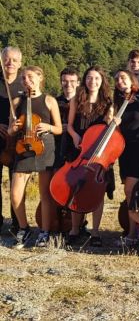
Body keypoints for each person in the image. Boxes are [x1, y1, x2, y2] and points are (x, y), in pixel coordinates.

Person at [8, 66, 62, 248]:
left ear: (40, 77)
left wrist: (48, 127)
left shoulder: (49, 100)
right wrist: (13, 129)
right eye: (23, 78)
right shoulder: (16, 101)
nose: (26, 81)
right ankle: (24, 228)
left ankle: (45, 232)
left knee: (44, 194)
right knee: (15, 194)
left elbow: (59, 129)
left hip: (44, 147)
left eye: (30, 77)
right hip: (23, 147)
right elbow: (10, 130)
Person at [66, 66, 114, 246]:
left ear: (102, 81)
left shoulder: (108, 102)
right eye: (89, 78)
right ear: (84, 80)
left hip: (99, 153)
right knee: (76, 189)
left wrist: (113, 121)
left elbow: (110, 127)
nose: (92, 81)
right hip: (79, 150)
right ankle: (75, 230)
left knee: (97, 192)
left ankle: (95, 232)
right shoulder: (76, 100)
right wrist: (75, 135)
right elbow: (69, 126)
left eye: (96, 78)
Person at [115, 69, 139, 244]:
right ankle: (135, 231)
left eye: (123, 78)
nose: (119, 81)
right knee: (130, 192)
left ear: (132, 81)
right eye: (116, 79)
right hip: (124, 151)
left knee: (131, 191)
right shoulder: (118, 102)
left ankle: (132, 234)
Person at [0, 46, 26, 233]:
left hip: (17, 140)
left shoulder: (24, 84)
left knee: (16, 183)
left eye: (14, 60)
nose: (10, 63)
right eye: (6, 59)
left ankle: (17, 223)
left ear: (20, 63)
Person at [53, 67, 80, 170]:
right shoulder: (54, 101)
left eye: (72, 81)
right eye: (65, 81)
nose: (68, 84)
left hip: (77, 145)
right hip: (57, 146)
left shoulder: (83, 102)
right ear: (61, 82)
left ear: (78, 83)